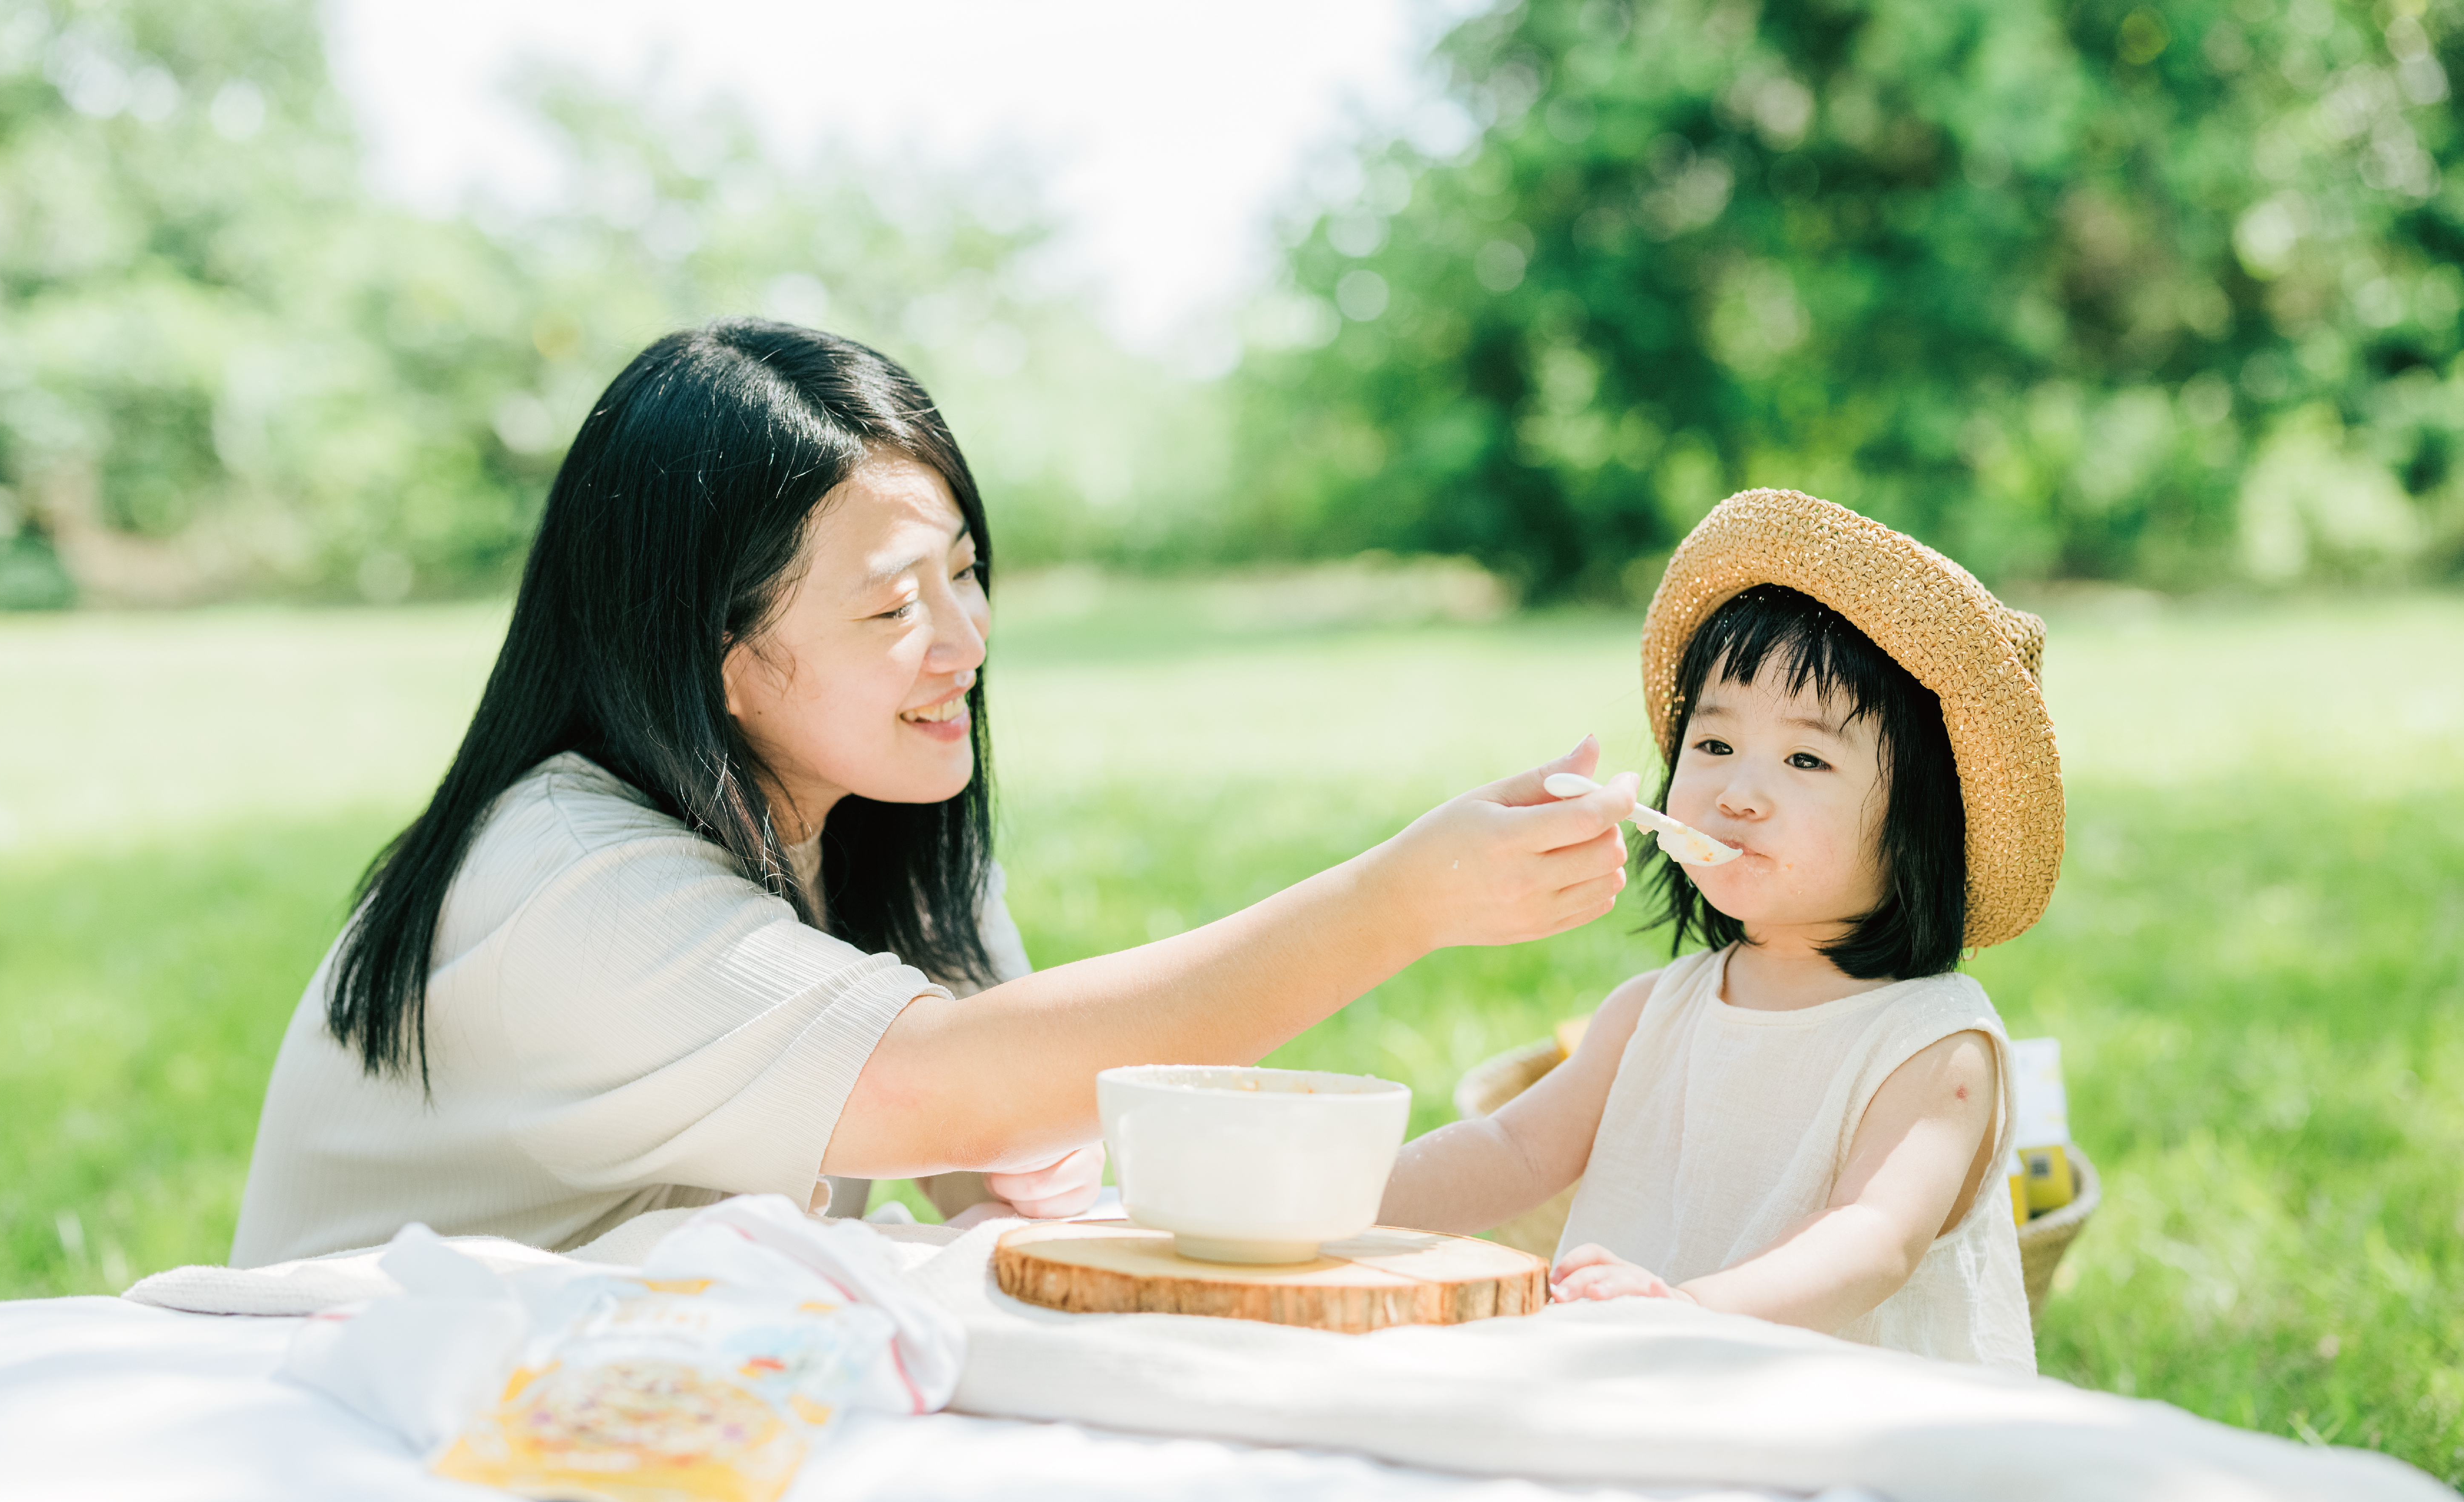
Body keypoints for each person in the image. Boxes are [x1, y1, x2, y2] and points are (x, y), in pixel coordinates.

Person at [231, 318, 1642, 1267]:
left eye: (962, 570)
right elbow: (958, 1092)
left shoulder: (871, 842)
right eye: (892, 604)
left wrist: (1542, 1133)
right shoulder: (565, 885)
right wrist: (1401, 901)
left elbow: (1051, 1191)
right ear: (717, 656)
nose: (962, 638)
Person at [1377, 490, 2062, 1373]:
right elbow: (1512, 1147)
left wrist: (1691, 1310)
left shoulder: (1932, 1047)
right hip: (1651, 1403)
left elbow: (1873, 1236)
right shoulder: (1651, 1012)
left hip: (1858, 1440)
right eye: (1712, 745)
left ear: (1919, 832)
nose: (1737, 790)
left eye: (1806, 758)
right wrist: (1329, 1196)